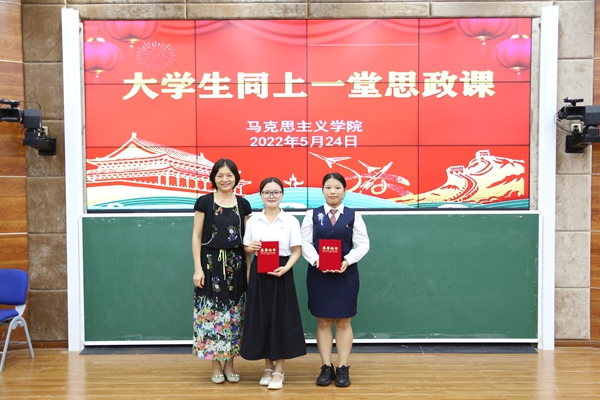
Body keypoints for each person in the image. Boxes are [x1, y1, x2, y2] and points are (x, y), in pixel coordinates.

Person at [300, 172, 370, 388]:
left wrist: (347, 260)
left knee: (343, 321)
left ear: (345, 191)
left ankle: (342, 367)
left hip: (345, 275)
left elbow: (363, 244)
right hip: (318, 274)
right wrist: (317, 260)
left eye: (337, 187)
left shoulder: (353, 215)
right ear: (322, 190)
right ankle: (325, 366)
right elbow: (304, 243)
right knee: (322, 321)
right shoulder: (312, 214)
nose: (332, 191)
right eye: (328, 187)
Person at [241, 177, 306, 390]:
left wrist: (286, 268)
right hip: (260, 274)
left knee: (281, 320)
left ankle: (279, 369)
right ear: (261, 195)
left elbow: (296, 250)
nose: (272, 196)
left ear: (282, 195)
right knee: (263, 320)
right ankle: (267, 368)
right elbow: (246, 248)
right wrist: (250, 247)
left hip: (282, 272)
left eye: (276, 192)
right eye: (267, 192)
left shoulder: (291, 221)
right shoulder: (253, 221)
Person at [191, 158, 252, 384]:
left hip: (236, 265)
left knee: (235, 314)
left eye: (229, 175)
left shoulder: (243, 204)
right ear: (213, 178)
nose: (225, 179)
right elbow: (196, 236)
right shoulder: (204, 202)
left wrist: (249, 268)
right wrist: (198, 269)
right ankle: (216, 365)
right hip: (210, 264)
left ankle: (230, 364)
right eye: (220, 175)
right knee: (212, 314)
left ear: (236, 177)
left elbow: (246, 240)